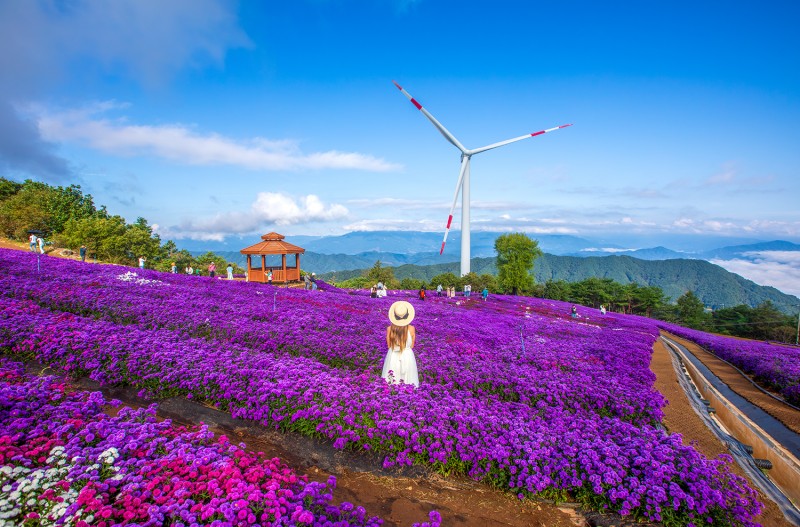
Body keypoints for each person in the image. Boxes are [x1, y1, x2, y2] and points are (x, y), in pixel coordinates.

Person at [381, 301, 419, 388]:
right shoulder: (412, 329)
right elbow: (412, 346)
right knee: (409, 380)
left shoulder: (389, 329)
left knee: (391, 379)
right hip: (407, 356)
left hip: (393, 356)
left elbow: (389, 345)